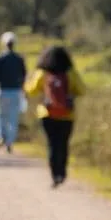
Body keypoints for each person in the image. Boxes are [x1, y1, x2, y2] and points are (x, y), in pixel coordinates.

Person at [24, 45, 86, 187]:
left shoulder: (42, 73)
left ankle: (54, 175)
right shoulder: (70, 73)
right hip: (67, 115)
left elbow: (31, 90)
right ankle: (62, 173)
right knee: (63, 144)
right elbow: (82, 90)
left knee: (52, 144)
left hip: (47, 113)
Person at [0, 31, 28, 153]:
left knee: (1, 116)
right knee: (13, 118)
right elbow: (24, 75)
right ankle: (9, 142)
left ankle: (1, 136)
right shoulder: (19, 59)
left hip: (3, 91)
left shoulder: (1, 58)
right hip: (16, 91)